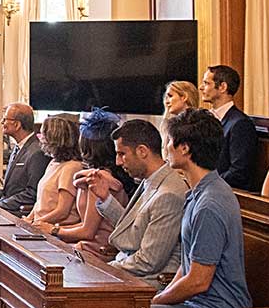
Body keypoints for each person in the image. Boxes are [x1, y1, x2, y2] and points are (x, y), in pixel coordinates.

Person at [151, 108, 252, 308]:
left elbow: (198, 281)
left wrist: (154, 304)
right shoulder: (200, 192)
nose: (166, 147)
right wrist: (159, 298)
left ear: (184, 148)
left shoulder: (210, 204)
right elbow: (186, 266)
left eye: (169, 141)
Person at [74, 119, 189, 281]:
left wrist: (103, 267)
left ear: (142, 151)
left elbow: (148, 262)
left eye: (122, 154)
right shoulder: (151, 179)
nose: (118, 162)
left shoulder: (168, 194)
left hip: (147, 282)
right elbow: (135, 229)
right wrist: (105, 198)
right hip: (128, 270)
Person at [46, 109, 129, 247]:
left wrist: (52, 230)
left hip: (97, 248)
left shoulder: (97, 179)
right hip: (88, 243)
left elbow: (87, 232)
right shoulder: (98, 174)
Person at [199, 65, 256, 191]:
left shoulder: (240, 124)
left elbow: (239, 171)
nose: (201, 87)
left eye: (206, 83)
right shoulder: (204, 118)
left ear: (223, 87)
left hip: (227, 193)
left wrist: (206, 182)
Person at [0, 102, 49, 215]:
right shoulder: (19, 147)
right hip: (6, 207)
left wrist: (1, 205)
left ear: (17, 125)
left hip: (17, 213)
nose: (2, 122)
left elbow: (32, 193)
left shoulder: (36, 153)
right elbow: (12, 188)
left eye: (5, 119)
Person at [28, 115, 80, 227]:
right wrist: (29, 218)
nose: (39, 138)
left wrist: (35, 223)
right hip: (39, 224)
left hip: (55, 229)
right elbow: (40, 201)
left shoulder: (72, 167)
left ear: (54, 138)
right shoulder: (53, 162)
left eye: (42, 134)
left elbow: (62, 211)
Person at [160, 80, 200, 152]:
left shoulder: (200, 124)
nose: (166, 102)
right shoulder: (167, 125)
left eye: (170, 96)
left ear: (184, 97)